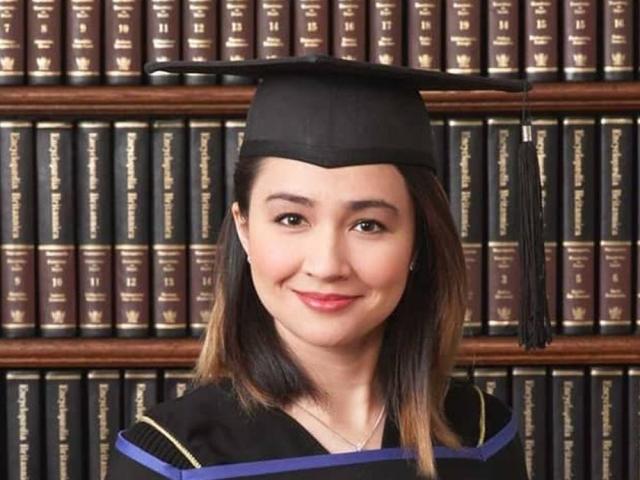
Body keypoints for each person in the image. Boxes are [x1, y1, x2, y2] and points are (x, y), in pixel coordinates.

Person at [107, 55, 544, 479]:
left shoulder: (481, 435)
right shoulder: (172, 460)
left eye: (368, 225)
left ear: (418, 241)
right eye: (291, 219)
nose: (327, 265)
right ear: (244, 229)